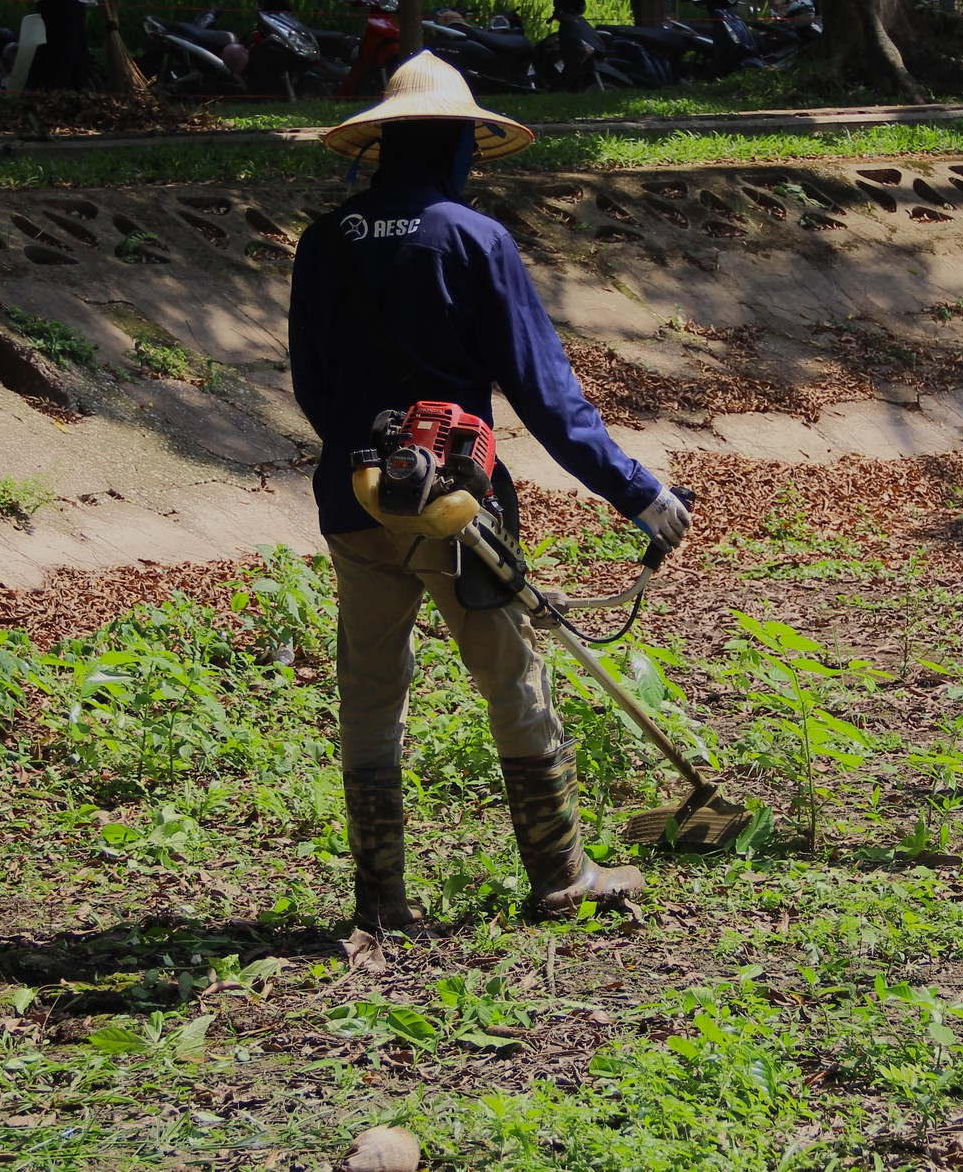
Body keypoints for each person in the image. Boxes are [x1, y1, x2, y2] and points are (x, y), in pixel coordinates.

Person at [289, 52, 692, 932]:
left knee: (369, 686)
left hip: (352, 501)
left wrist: (371, 441)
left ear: (386, 144)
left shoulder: (324, 243)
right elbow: (548, 397)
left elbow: (313, 386)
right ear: (453, 147)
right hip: (459, 507)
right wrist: (638, 493)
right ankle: (560, 872)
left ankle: (382, 900)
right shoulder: (473, 241)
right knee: (513, 677)